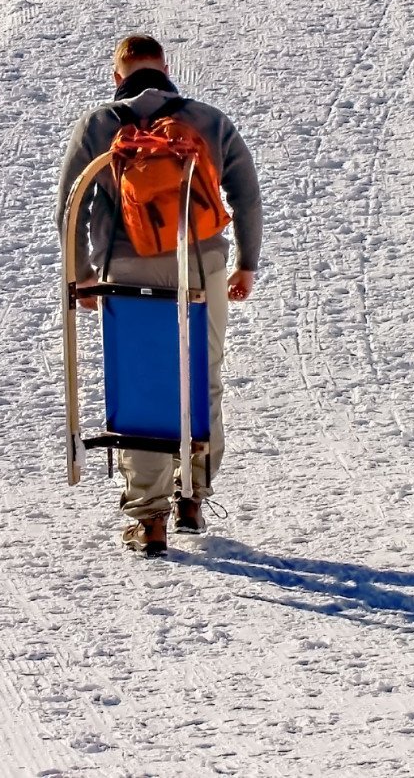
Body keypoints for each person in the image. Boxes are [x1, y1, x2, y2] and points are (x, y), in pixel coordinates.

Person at [56, 34, 261, 555]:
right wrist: (246, 263)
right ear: (166, 69)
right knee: (201, 373)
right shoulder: (208, 121)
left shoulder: (100, 124)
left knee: (144, 381)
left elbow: (70, 208)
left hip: (126, 267)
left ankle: (148, 517)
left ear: (117, 76)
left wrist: (79, 275)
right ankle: (194, 491)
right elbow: (246, 191)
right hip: (200, 263)